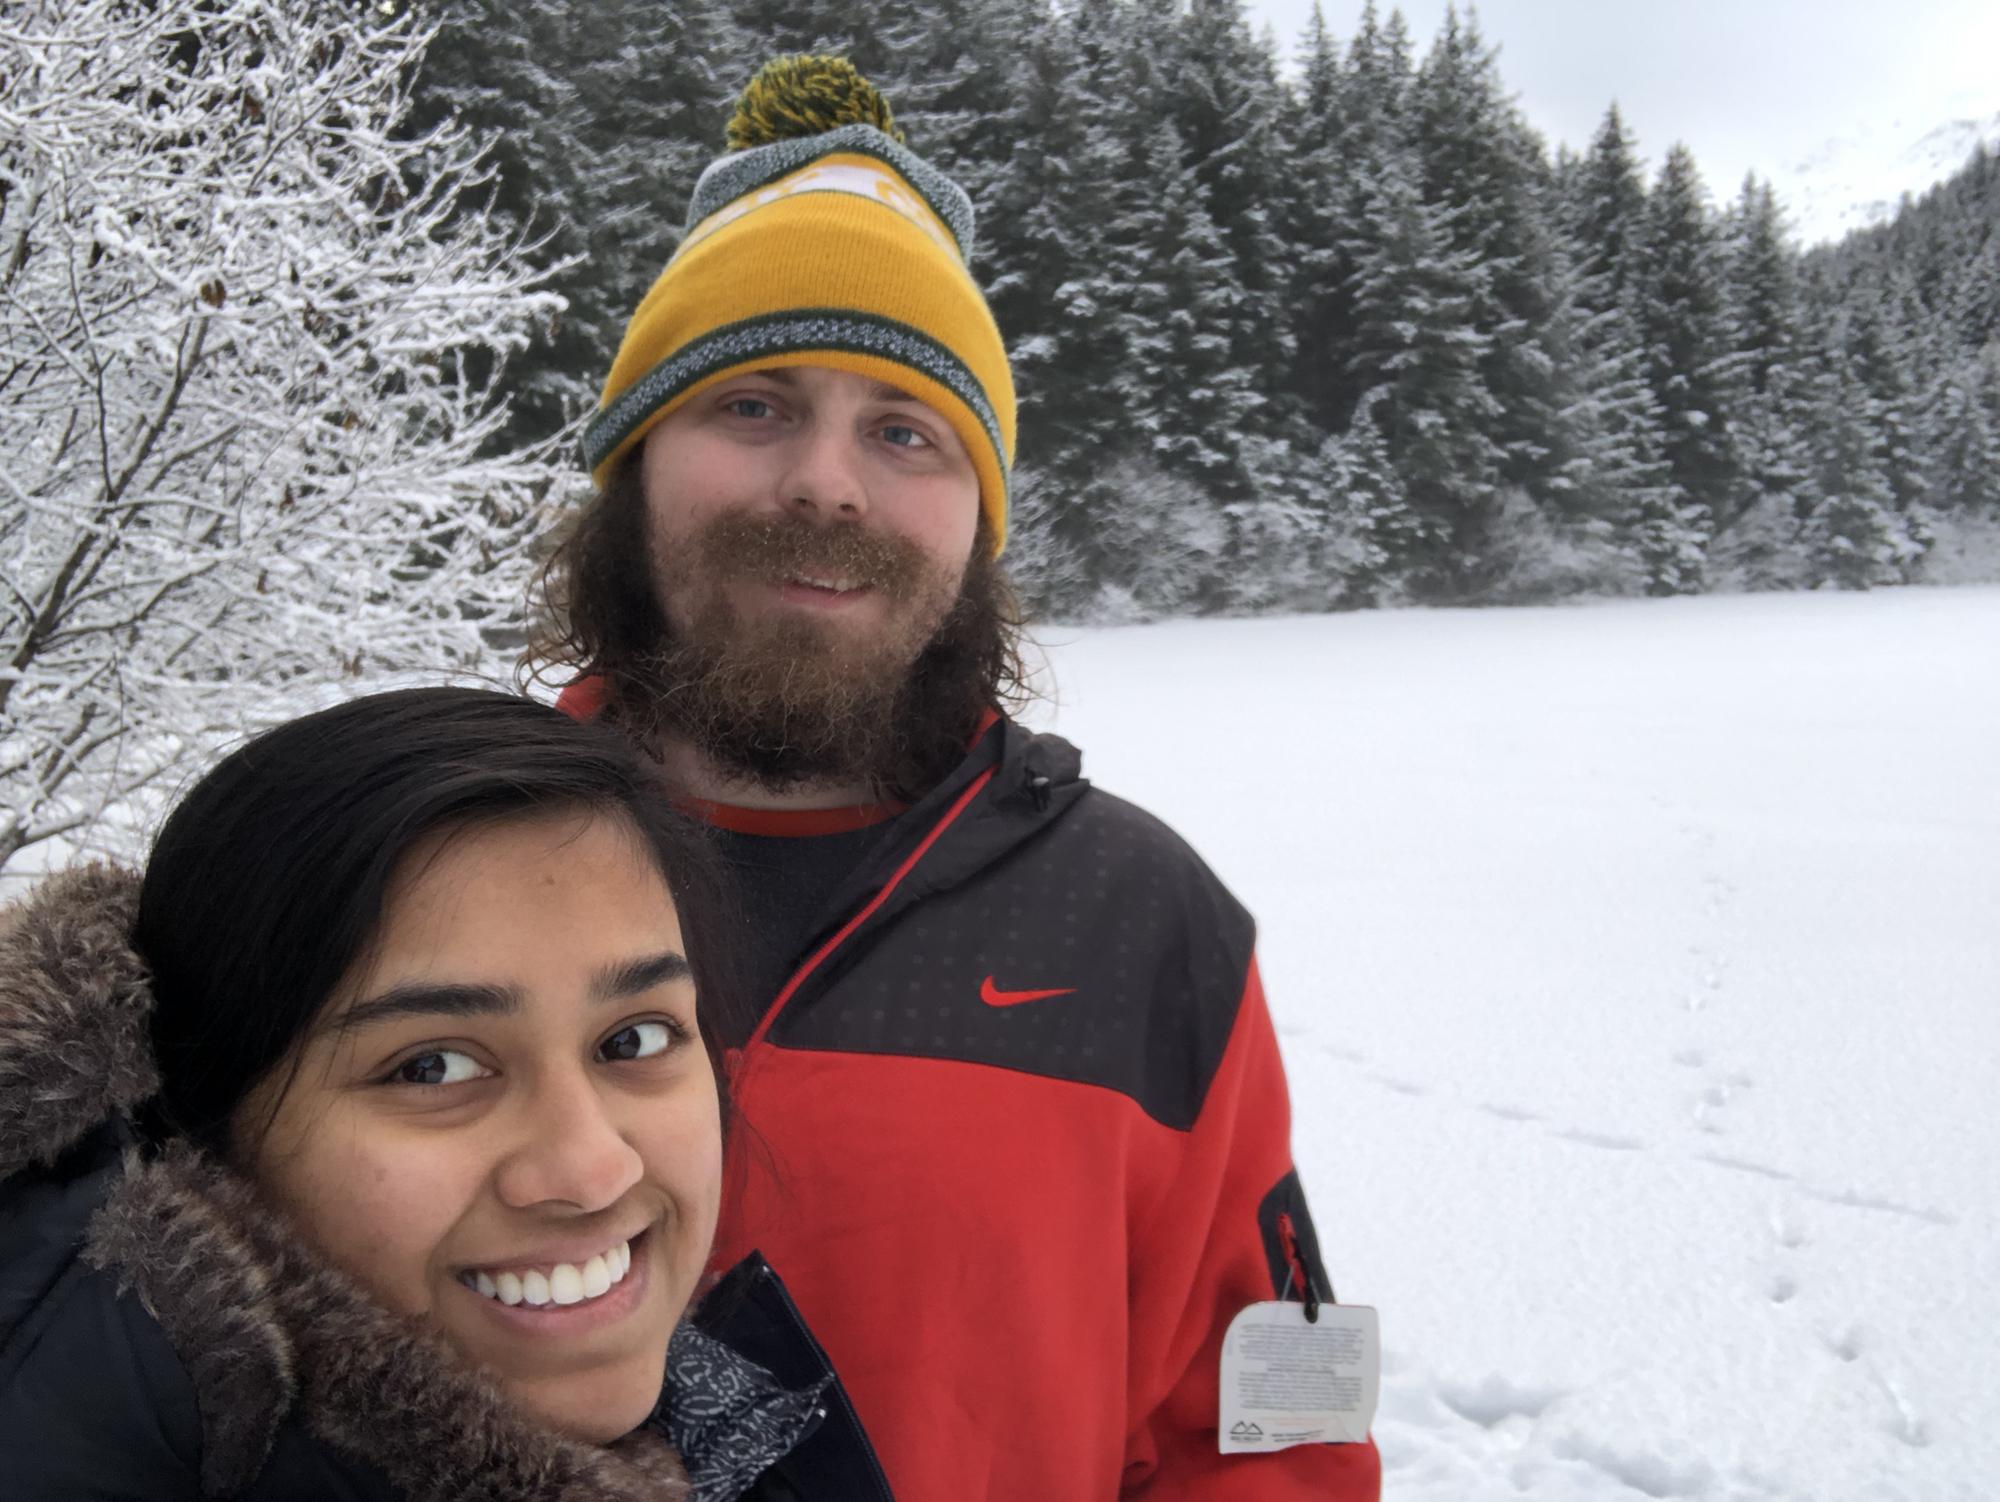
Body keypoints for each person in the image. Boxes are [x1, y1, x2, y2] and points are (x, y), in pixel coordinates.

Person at [531, 54, 1383, 1500]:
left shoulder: (1144, 925)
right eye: (752, 404)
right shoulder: (440, 873)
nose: (827, 483)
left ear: (976, 525)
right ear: (632, 467)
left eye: (904, 431)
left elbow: (1266, 1428)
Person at [0, 688, 891, 1501]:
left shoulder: (733, 1433)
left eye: (635, 1040)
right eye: (434, 1068)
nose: (592, 1171)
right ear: (203, 1138)